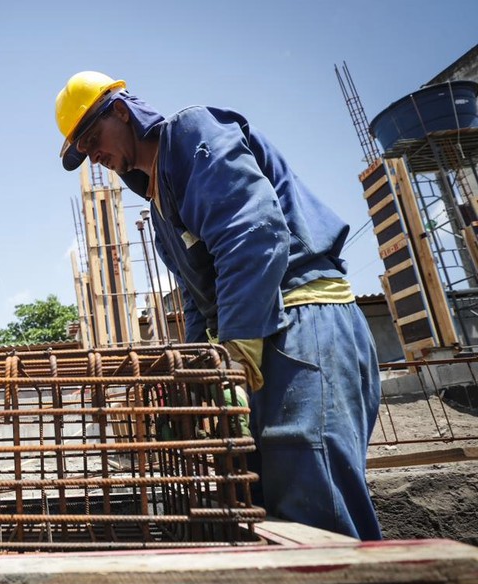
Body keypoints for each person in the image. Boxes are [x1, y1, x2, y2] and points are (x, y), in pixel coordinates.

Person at [54, 71, 382, 540]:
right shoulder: (160, 203)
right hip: (262, 335)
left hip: (301, 318)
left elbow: (253, 233)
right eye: (83, 151)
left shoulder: (190, 135)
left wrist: (234, 354)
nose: (94, 155)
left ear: (122, 112)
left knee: (313, 495)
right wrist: (199, 378)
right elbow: (197, 300)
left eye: (92, 137)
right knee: (263, 501)